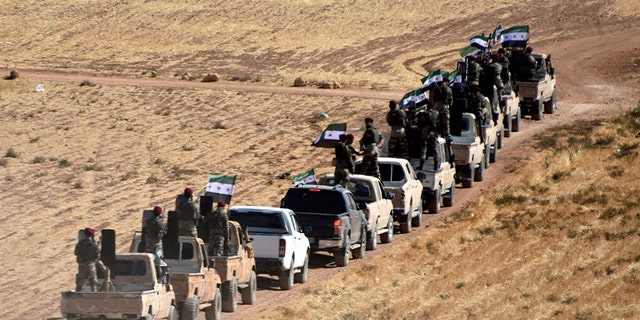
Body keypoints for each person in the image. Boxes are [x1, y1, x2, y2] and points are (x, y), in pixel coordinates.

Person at [75, 227, 100, 292]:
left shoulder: (79, 244)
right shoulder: (94, 244)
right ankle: (94, 295)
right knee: (93, 282)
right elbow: (97, 256)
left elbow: (76, 253)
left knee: (80, 281)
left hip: (82, 265)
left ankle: (77, 294)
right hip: (91, 265)